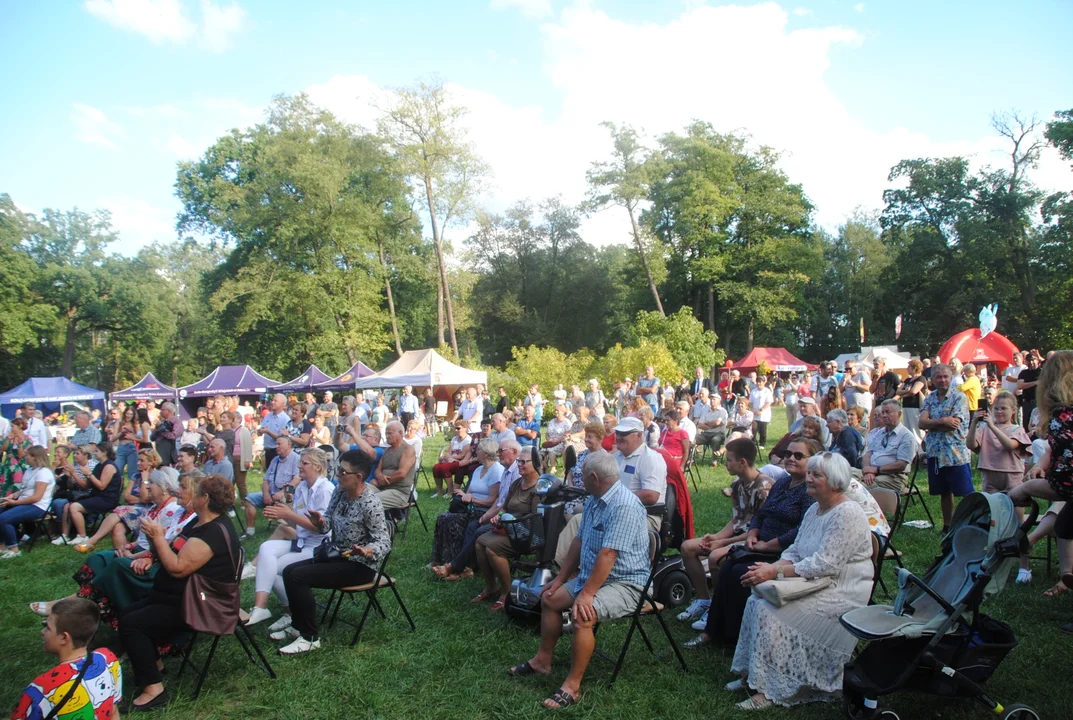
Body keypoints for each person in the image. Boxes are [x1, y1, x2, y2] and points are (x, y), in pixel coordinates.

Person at [729, 451, 873, 709]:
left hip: (841, 589)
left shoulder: (847, 512)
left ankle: (771, 691)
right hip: (815, 579)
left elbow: (826, 563)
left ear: (836, 482)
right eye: (810, 473)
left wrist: (775, 573)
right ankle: (755, 676)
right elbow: (795, 550)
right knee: (755, 601)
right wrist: (771, 567)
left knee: (769, 612)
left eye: (817, 475)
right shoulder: (815, 510)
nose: (808, 478)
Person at [507, 451, 650, 710]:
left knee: (583, 614)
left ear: (594, 477)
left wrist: (586, 594)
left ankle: (572, 687)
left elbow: (609, 554)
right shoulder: (596, 499)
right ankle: (542, 661)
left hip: (626, 584)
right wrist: (560, 579)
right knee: (550, 598)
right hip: (595, 577)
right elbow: (579, 541)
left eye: (583, 475)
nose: (580, 479)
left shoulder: (624, 506)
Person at [118, 474, 239, 710]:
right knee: (127, 614)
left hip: (203, 606)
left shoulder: (213, 531)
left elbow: (177, 568)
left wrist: (157, 537)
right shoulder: (199, 522)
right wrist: (156, 542)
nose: (188, 493)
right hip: (182, 597)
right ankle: (155, 666)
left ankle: (154, 691)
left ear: (204, 498)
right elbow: (171, 551)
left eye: (195, 491)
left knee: (133, 624)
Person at [685, 439, 819, 648]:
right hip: (758, 543)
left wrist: (769, 545)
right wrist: (753, 533)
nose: (790, 458)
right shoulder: (783, 483)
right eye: (788, 454)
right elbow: (760, 515)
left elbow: (801, 529)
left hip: (781, 552)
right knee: (728, 566)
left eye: (798, 456)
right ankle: (713, 629)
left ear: (813, 461)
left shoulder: (809, 491)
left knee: (736, 571)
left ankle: (732, 635)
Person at [31, 468, 192, 628]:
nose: (147, 486)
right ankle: (79, 614)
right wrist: (130, 546)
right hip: (144, 553)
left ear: (164, 487)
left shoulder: (173, 509)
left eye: (152, 483)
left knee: (116, 565)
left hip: (153, 561)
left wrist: (140, 556)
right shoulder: (160, 507)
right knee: (98, 559)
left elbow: (163, 544)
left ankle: (68, 607)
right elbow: (147, 540)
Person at [274, 450, 392, 654]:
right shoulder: (340, 491)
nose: (337, 474)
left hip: (359, 566)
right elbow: (327, 523)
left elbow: (384, 541)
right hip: (336, 554)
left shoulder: (370, 504)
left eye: (342, 471)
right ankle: (297, 625)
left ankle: (310, 638)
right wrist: (319, 522)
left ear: (358, 477)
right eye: (337, 469)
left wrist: (367, 550)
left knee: (299, 577)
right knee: (288, 571)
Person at [676, 439, 773, 627]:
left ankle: (719, 608)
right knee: (688, 547)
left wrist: (723, 543)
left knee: (715, 556)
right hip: (736, 537)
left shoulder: (764, 489)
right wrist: (717, 537)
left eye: (729, 460)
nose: (725, 463)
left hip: (754, 542)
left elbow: (758, 530)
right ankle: (704, 600)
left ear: (742, 462)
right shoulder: (737, 484)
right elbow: (736, 520)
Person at [244, 447, 334, 631]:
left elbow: (321, 529)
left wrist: (289, 516)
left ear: (317, 467)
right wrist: (282, 515)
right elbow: (297, 520)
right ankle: (260, 608)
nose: (299, 466)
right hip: (302, 542)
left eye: (304, 463)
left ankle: (291, 613)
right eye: (300, 462)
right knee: (267, 548)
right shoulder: (302, 487)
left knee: (274, 569)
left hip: (320, 547)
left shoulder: (325, 490)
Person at [10, 597, 122, 720]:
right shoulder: (107, 659)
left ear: (64, 638)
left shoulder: (40, 688)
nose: (42, 632)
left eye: (47, 627)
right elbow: (113, 712)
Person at [473, 447, 543, 610]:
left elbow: (536, 520)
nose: (520, 465)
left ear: (536, 464)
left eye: (524, 462)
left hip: (528, 533)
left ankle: (507, 592)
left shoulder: (538, 487)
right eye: (519, 461)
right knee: (479, 542)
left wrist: (510, 521)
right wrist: (500, 516)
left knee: (492, 549)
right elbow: (505, 506)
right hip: (510, 529)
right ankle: (491, 586)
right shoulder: (518, 483)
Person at [431, 438, 502, 574]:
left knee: (457, 524)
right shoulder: (478, 469)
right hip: (469, 507)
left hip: (484, 511)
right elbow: (468, 492)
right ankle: (441, 559)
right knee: (443, 518)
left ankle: (460, 564)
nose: (476, 451)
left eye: (479, 449)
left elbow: (493, 500)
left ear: (486, 453)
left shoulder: (496, 471)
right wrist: (464, 495)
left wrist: (472, 499)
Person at [71, 448, 160, 553]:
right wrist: (142, 499)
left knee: (120, 511)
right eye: (138, 460)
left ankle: (91, 541)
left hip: (150, 512)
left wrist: (145, 480)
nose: (138, 463)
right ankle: (122, 556)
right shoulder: (136, 475)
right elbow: (126, 496)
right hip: (132, 510)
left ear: (152, 462)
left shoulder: (157, 477)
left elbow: (145, 499)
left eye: (142, 460)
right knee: (117, 528)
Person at [919, 364, 973, 532]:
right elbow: (921, 422)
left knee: (965, 492)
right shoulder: (929, 398)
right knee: (944, 492)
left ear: (951, 378)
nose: (942, 380)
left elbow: (954, 424)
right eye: (938, 377)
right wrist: (943, 421)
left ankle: (969, 523)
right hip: (936, 452)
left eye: (945, 377)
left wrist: (932, 424)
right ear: (933, 379)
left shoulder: (959, 397)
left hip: (955, 453)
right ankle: (948, 526)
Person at [52, 442, 121, 547]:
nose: (94, 453)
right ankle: (64, 535)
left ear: (104, 452)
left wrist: (89, 474)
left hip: (107, 499)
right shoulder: (99, 465)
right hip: (96, 496)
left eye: (97, 451)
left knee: (75, 507)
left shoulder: (109, 466)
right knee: (67, 505)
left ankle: (82, 536)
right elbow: (86, 486)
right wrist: (74, 475)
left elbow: (102, 486)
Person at [0, 446, 56, 558]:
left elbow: (36, 497)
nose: (25, 457)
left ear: (35, 457)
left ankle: (13, 549)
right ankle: (3, 545)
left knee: (3, 519)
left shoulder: (44, 473)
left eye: (27, 455)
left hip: (37, 507)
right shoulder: (30, 470)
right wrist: (14, 495)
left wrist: (14, 503)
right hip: (24, 502)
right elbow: (24, 489)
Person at [242, 435, 300, 539]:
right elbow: (266, 479)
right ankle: (250, 532)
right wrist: (266, 494)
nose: (276, 446)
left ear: (289, 445)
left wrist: (282, 492)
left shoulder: (296, 459)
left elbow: (296, 480)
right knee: (249, 499)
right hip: (271, 493)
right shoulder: (275, 460)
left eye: (279, 444)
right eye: (275, 444)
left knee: (285, 502)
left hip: (288, 495)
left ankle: (284, 531)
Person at [860, 399, 919, 493]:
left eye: (888, 412)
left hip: (894, 477)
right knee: (843, 477)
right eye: (883, 412)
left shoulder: (906, 436)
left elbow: (901, 465)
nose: (884, 415)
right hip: (872, 472)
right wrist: (867, 470)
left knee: (858, 488)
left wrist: (876, 470)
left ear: (899, 414)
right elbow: (868, 453)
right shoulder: (879, 433)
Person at [370, 421, 416, 510]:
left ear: (400, 433)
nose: (387, 436)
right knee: (356, 490)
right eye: (386, 433)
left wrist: (381, 482)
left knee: (370, 502)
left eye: (390, 433)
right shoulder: (387, 451)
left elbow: (402, 473)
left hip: (398, 492)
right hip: (381, 489)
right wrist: (379, 476)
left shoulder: (408, 449)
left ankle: (385, 524)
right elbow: (377, 470)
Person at [432, 421, 472, 498]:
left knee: (444, 468)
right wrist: (446, 457)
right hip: (451, 460)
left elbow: (462, 455)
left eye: (458, 428)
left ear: (465, 429)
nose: (456, 430)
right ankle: (439, 491)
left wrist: (450, 457)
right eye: (455, 428)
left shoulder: (468, 440)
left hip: (461, 462)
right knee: (436, 467)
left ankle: (450, 492)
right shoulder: (454, 438)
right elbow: (449, 451)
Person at [897, 359, 928, 442]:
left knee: (916, 430)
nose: (907, 369)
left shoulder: (921, 379)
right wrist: (906, 391)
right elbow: (898, 391)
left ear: (915, 368)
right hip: (906, 406)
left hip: (915, 406)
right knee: (908, 429)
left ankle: (920, 450)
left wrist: (903, 394)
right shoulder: (907, 380)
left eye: (909, 367)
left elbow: (914, 391)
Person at [0, 417, 32, 495]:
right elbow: (2, 449)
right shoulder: (10, 437)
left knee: (17, 485)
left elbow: (21, 455)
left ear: (20, 426)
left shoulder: (28, 440)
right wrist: (8, 439)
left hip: (21, 465)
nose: (11, 428)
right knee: (5, 485)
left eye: (13, 426)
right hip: (8, 465)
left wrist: (20, 445)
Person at [258, 393, 290, 469]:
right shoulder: (268, 415)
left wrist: (267, 431)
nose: (272, 402)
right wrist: (260, 431)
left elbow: (282, 438)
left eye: (276, 401)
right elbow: (261, 430)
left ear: (282, 404)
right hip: (267, 450)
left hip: (277, 451)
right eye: (272, 400)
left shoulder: (285, 419)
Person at [1016, 350, 1043, 431]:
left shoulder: (1042, 371)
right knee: (1026, 425)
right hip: (1028, 402)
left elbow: (1050, 363)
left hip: (1040, 402)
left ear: (1037, 361)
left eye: (1033, 360)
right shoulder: (1024, 373)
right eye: (1029, 360)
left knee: (1039, 425)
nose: (1031, 362)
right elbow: (1020, 385)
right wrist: (1036, 382)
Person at [112, 405, 141, 480]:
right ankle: (117, 488)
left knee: (132, 472)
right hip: (121, 446)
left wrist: (131, 431)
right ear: (125, 413)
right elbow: (113, 438)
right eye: (128, 413)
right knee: (117, 470)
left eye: (131, 414)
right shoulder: (120, 421)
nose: (129, 416)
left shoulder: (135, 423)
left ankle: (132, 490)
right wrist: (121, 432)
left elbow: (139, 437)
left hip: (131, 447)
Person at [542, 403, 573, 472]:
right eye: (555, 410)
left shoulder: (567, 422)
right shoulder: (552, 421)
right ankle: (543, 468)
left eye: (558, 411)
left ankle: (553, 467)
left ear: (563, 412)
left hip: (561, 442)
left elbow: (567, 435)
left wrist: (557, 441)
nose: (556, 412)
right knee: (541, 451)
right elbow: (547, 433)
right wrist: (549, 439)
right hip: (550, 442)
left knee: (551, 449)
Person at [150, 402, 182, 466]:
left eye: (162, 410)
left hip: (171, 455)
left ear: (169, 411)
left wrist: (162, 431)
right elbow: (152, 437)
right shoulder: (162, 422)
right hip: (160, 453)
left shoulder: (176, 422)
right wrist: (158, 428)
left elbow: (173, 436)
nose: (160, 412)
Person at [233, 411, 254, 503]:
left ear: (238, 419)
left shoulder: (244, 430)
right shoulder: (228, 430)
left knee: (240, 483)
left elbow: (248, 445)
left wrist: (247, 460)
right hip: (230, 459)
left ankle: (245, 501)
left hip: (240, 459)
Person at [749, 376, 774, 449]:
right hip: (754, 413)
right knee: (753, 429)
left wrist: (761, 410)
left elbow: (769, 402)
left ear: (764, 382)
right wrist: (753, 409)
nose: (758, 383)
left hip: (763, 414)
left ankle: (762, 444)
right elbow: (750, 402)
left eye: (760, 382)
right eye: (757, 382)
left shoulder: (767, 391)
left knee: (762, 430)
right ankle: (752, 443)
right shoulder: (754, 391)